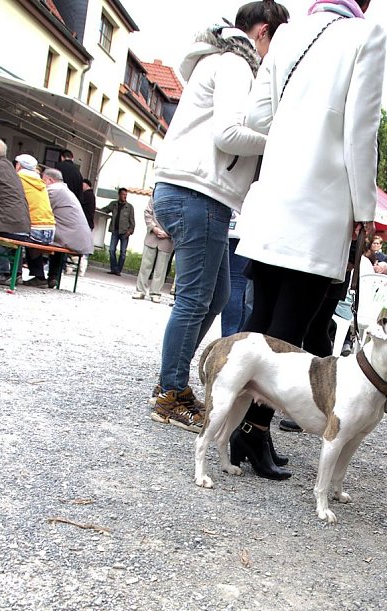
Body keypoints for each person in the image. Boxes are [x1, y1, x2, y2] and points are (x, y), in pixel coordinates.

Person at [232, 0, 386, 479]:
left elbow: (258, 116)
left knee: (259, 320)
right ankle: (253, 432)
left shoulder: (285, 35)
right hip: (322, 202)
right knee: (288, 331)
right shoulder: (366, 35)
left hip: (275, 198)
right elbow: (362, 128)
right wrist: (365, 209)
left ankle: (233, 424)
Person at [150, 2, 290, 432]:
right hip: (198, 192)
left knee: (213, 297)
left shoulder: (220, 59)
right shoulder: (235, 64)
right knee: (196, 299)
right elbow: (228, 134)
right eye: (278, 41)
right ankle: (170, 393)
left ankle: (172, 383)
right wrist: (281, 140)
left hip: (191, 190)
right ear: (264, 31)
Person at [41, 168, 94, 287]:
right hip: (77, 236)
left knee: (35, 238)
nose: (42, 183)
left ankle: (38, 274)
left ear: (50, 180)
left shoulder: (53, 190)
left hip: (69, 236)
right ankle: (53, 276)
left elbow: (41, 209)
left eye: (43, 180)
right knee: (55, 240)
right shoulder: (66, 190)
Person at [15, 153, 56, 285]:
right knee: (29, 237)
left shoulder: (19, 179)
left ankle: (13, 274)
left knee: (12, 234)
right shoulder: (40, 182)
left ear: (19, 166)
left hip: (35, 229)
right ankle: (39, 277)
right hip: (49, 230)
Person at [0, 137, 30, 285]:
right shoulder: (8, 167)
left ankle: (1, 273)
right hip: (22, 225)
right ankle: (16, 273)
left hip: (9, 225)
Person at [133, 196, 173, 302]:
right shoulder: (156, 195)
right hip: (152, 236)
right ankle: (140, 290)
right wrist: (153, 228)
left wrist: (168, 233)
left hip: (167, 239)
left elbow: (180, 220)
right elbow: (147, 212)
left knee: (161, 269)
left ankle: (155, 293)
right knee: (145, 265)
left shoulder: (178, 199)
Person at [221, 211, 250, 336]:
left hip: (236, 227)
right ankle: (236, 336)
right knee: (241, 290)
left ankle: (229, 337)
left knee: (235, 286)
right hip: (249, 231)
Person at [102, 188, 135, 275]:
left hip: (125, 232)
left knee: (123, 253)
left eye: (126, 195)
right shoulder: (114, 204)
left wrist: (130, 231)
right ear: (119, 195)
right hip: (115, 231)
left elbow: (132, 221)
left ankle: (118, 270)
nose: (125, 196)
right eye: (123, 194)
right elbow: (106, 210)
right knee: (111, 250)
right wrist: (96, 209)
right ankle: (114, 269)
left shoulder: (129, 207)